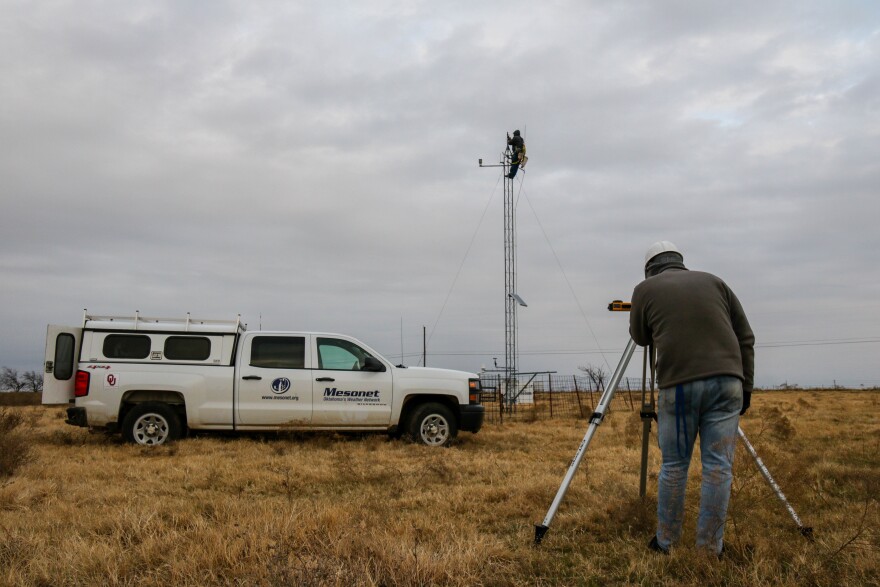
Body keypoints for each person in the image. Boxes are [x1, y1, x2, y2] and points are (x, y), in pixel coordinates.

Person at [629, 241, 755, 556]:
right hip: (728, 382)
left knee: (674, 465)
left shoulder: (645, 289)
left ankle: (665, 543)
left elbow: (641, 337)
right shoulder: (716, 282)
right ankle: (710, 549)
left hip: (679, 385)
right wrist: (747, 389)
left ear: (649, 268)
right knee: (718, 467)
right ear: (680, 262)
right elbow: (746, 337)